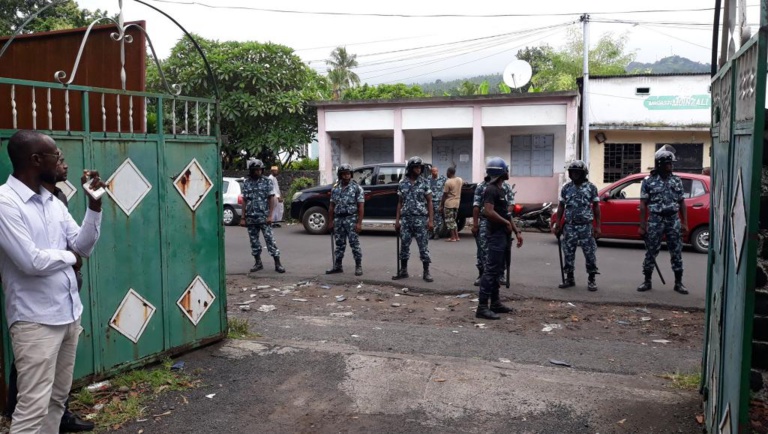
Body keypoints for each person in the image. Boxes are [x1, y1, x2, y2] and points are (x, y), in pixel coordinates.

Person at [0, 130, 103, 433]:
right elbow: (30, 261)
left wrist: (94, 206)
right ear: (35, 160)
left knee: (57, 400)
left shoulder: (54, 202)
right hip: (35, 321)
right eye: (55, 155)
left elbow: (82, 246)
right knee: (33, 407)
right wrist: (70, 258)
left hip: (68, 314)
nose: (60, 160)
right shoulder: (6, 202)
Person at [476, 157, 523, 320]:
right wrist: (505, 223)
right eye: (506, 169)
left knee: (497, 271)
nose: (508, 172)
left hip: (503, 235)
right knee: (490, 270)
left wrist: (516, 231)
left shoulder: (500, 189)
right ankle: (482, 307)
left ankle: (495, 303)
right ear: (500, 172)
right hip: (495, 235)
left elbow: (506, 214)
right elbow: (488, 212)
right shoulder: (491, 189)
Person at [637, 146, 688, 294]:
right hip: (655, 220)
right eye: (668, 163)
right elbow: (643, 204)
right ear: (660, 164)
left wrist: (685, 222)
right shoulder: (648, 181)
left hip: (673, 219)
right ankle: (647, 281)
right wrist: (642, 225)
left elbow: (682, 202)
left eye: (671, 163)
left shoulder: (676, 180)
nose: (671, 166)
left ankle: (678, 283)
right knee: (651, 251)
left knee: (676, 251)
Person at [552, 160, 601, 291]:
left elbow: (596, 207)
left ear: (583, 173)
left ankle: (591, 279)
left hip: (586, 226)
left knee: (590, 253)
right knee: (568, 253)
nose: (574, 174)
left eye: (577, 172)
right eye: (572, 172)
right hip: (570, 226)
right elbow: (561, 206)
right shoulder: (566, 188)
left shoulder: (591, 187)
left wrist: (598, 226)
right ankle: (570, 278)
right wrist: (558, 223)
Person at [392, 156, 434, 282]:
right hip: (406, 219)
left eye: (420, 167)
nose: (418, 169)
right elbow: (400, 203)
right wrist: (397, 221)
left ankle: (426, 272)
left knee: (423, 247)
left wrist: (431, 220)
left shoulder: (424, 182)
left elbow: (430, 202)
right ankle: (403, 270)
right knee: (404, 246)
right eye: (416, 167)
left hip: (420, 219)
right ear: (410, 168)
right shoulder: (402, 183)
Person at [240, 158, 286, 273]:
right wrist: (243, 217)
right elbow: (244, 200)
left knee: (270, 240)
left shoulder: (267, 181)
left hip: (264, 217)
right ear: (251, 170)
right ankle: (258, 263)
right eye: (256, 170)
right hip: (251, 218)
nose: (259, 172)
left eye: (260, 169)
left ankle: (278, 263)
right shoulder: (246, 182)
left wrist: (270, 216)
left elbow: (271, 198)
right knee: (254, 241)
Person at [472, 176, 517, 286]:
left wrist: (503, 214)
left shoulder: (506, 187)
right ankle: (482, 274)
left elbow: (511, 204)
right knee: (483, 249)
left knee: (502, 249)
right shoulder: (481, 186)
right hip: (485, 220)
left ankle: (500, 274)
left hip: (502, 221)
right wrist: (475, 224)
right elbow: (476, 206)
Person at [326, 164, 365, 276]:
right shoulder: (335, 188)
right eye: (344, 174)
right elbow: (331, 206)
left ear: (351, 174)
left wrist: (359, 223)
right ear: (340, 175)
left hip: (351, 218)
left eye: (348, 173)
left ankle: (358, 266)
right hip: (338, 219)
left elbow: (361, 207)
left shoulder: (357, 188)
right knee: (339, 244)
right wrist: (330, 221)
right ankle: (338, 266)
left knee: (354, 243)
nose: (346, 176)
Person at [439, 167, 463, 242]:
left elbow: (445, 195)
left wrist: (441, 205)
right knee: (453, 220)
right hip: (457, 203)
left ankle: (453, 237)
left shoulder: (448, 182)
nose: (446, 173)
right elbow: (464, 183)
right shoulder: (459, 179)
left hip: (449, 203)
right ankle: (457, 237)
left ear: (449, 172)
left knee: (449, 221)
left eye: (447, 172)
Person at [428, 166, 447, 239]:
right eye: (433, 171)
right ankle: (431, 233)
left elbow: (450, 182)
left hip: (438, 201)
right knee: (430, 217)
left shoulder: (442, 179)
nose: (435, 173)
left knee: (438, 218)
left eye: (436, 171)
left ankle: (437, 233)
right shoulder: (428, 179)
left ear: (438, 171)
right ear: (431, 172)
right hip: (430, 201)